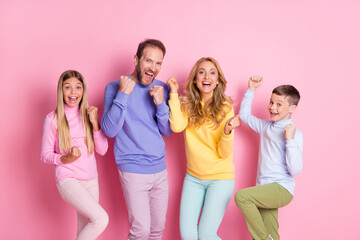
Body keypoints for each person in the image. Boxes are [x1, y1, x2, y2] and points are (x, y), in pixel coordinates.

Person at [101, 39, 172, 240]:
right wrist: (123, 94)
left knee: (157, 231)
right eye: (148, 61)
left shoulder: (162, 88)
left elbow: (166, 131)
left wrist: (160, 104)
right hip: (132, 169)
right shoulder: (114, 87)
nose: (153, 68)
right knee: (140, 231)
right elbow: (109, 130)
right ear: (136, 59)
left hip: (160, 170)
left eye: (158, 63)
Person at [167, 57, 240, 240]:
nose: (206, 76)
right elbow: (176, 126)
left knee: (206, 235)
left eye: (212, 72)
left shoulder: (225, 107)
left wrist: (227, 131)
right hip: (193, 178)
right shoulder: (187, 105)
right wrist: (174, 94)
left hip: (220, 179)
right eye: (202, 72)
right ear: (195, 79)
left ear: (217, 81)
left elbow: (224, 153)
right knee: (188, 235)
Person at [40, 70, 109, 240]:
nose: (73, 92)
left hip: (91, 179)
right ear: (61, 91)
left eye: (78, 87)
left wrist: (95, 124)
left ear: (83, 91)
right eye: (68, 87)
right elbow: (45, 154)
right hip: (68, 179)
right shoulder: (53, 119)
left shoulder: (89, 115)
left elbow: (103, 149)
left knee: (86, 228)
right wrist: (65, 158)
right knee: (101, 219)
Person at [234, 76, 303, 240]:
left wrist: (290, 140)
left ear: (292, 108)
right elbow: (244, 115)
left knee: (242, 197)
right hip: (264, 188)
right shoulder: (266, 128)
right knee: (271, 232)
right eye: (271, 102)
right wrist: (251, 89)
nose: (272, 107)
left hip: (281, 188)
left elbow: (295, 169)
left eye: (279, 104)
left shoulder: (294, 133)